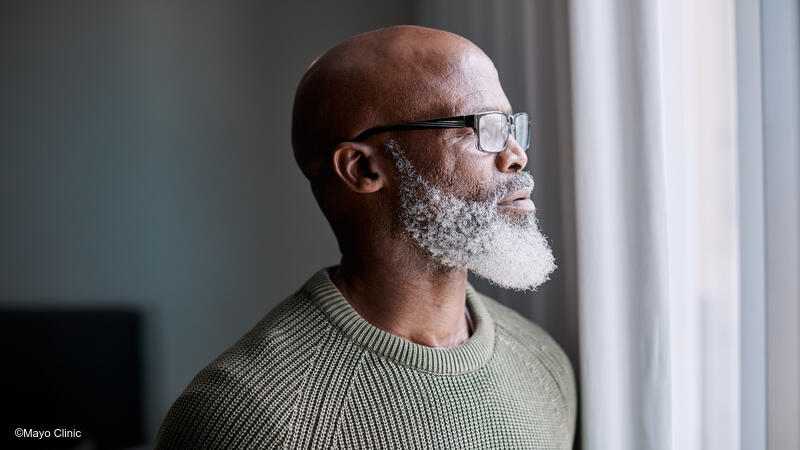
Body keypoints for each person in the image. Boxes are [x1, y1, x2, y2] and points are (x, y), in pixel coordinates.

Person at [156, 25, 577, 449]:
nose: (516, 155)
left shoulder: (541, 362)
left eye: (509, 125)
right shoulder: (239, 417)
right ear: (361, 169)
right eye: (481, 126)